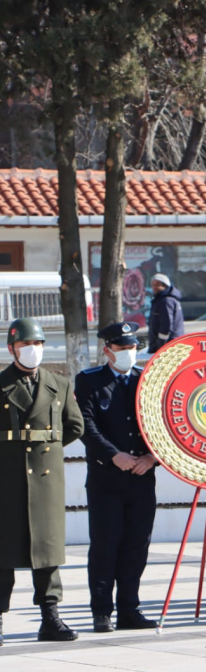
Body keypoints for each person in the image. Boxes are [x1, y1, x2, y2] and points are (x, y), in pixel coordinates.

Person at [1, 318, 85, 644]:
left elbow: (74, 426)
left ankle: (50, 618)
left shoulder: (58, 384)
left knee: (47, 553)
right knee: (3, 553)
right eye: (25, 345)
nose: (32, 350)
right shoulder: (1, 383)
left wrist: (44, 451)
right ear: (12, 349)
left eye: (37, 344)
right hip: (7, 480)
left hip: (45, 481)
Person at [75, 322, 158, 632]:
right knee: (105, 546)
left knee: (136, 546)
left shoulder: (145, 381)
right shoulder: (90, 381)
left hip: (141, 477)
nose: (128, 353)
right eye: (122, 348)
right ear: (107, 350)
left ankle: (129, 609)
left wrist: (152, 457)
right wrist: (114, 455)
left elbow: (162, 424)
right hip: (106, 479)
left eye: (132, 348)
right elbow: (86, 425)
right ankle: (102, 612)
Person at [146, 273, 184, 352]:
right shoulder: (165, 299)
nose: (154, 287)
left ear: (165, 285)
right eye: (153, 284)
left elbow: (166, 325)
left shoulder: (166, 301)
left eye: (157, 284)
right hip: (170, 344)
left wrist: (160, 345)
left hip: (167, 346)